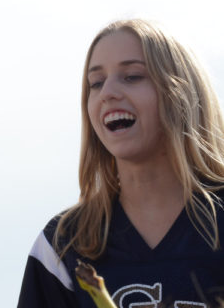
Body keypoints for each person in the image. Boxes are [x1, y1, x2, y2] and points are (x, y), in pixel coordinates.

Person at [17, 18, 224, 307]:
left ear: (181, 94)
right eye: (96, 83)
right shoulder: (62, 246)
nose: (108, 93)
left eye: (132, 76)